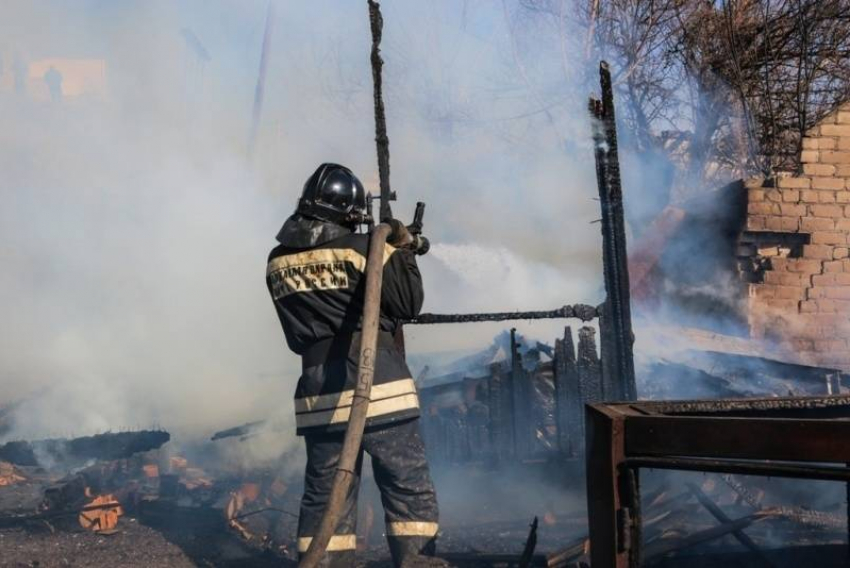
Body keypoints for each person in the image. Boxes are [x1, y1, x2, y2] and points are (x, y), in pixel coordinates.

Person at [266, 163, 439, 567]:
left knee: (326, 498)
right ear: (351, 214)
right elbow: (408, 304)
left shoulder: (276, 261)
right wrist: (404, 252)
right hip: (381, 390)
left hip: (319, 397)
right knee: (407, 487)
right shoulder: (367, 249)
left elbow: (296, 338)